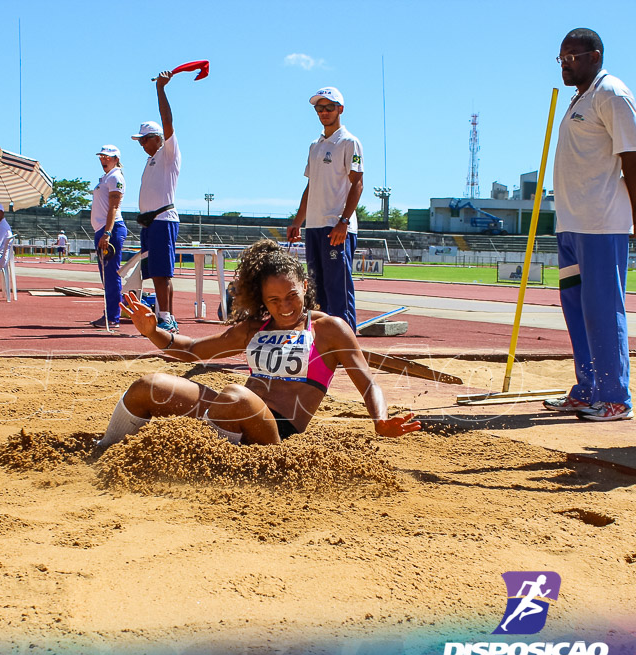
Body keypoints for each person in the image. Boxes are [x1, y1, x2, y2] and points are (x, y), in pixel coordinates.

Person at [97, 240, 420, 447]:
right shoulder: (254, 328)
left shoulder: (329, 329)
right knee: (147, 385)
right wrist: (153, 332)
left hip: (275, 431)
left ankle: (205, 453)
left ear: (305, 286)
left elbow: (367, 382)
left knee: (236, 395)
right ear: (263, 299)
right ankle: (106, 451)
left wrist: (379, 420)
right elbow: (192, 351)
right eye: (274, 300)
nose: (285, 306)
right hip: (230, 411)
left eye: (292, 295)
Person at [542, 28, 634, 422]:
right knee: (576, 309)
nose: (565, 63)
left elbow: (631, 157)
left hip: (601, 223)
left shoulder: (612, 94)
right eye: (561, 57)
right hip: (571, 223)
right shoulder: (580, 99)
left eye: (573, 56)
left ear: (594, 56)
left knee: (601, 308)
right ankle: (588, 389)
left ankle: (615, 397)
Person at [287, 87, 364, 331]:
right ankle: (321, 343)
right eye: (319, 108)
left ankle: (345, 344)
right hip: (315, 226)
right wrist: (298, 221)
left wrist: (344, 221)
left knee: (338, 289)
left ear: (340, 109)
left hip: (336, 226)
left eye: (329, 107)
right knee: (316, 288)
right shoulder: (315, 145)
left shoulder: (349, 142)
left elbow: (358, 183)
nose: (324, 112)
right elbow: (311, 186)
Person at [134, 70, 182, 333]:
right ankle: (167, 314)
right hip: (151, 222)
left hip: (163, 220)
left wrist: (161, 90)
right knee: (156, 271)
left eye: (145, 139)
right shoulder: (150, 161)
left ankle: (165, 316)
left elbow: (167, 120)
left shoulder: (168, 154)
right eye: (140, 141)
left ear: (158, 138)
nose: (142, 144)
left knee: (162, 272)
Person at [90, 145, 128, 331]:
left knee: (111, 274)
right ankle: (112, 312)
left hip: (110, 230)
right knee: (107, 276)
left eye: (107, 157)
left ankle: (113, 316)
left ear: (116, 159)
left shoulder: (114, 177)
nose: (103, 159)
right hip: (103, 229)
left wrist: (107, 232)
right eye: (101, 156)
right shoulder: (106, 177)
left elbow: (114, 206)